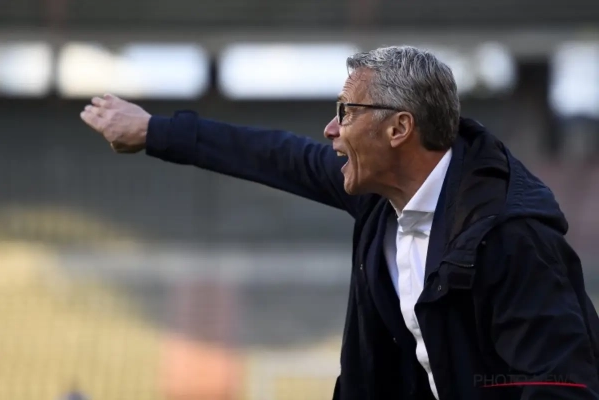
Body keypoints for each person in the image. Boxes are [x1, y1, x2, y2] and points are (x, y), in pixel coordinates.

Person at [81, 46, 599, 400]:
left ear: (399, 128)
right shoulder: (378, 196)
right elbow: (277, 155)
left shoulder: (509, 235)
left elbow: (560, 384)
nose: (330, 128)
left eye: (346, 111)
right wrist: (153, 131)